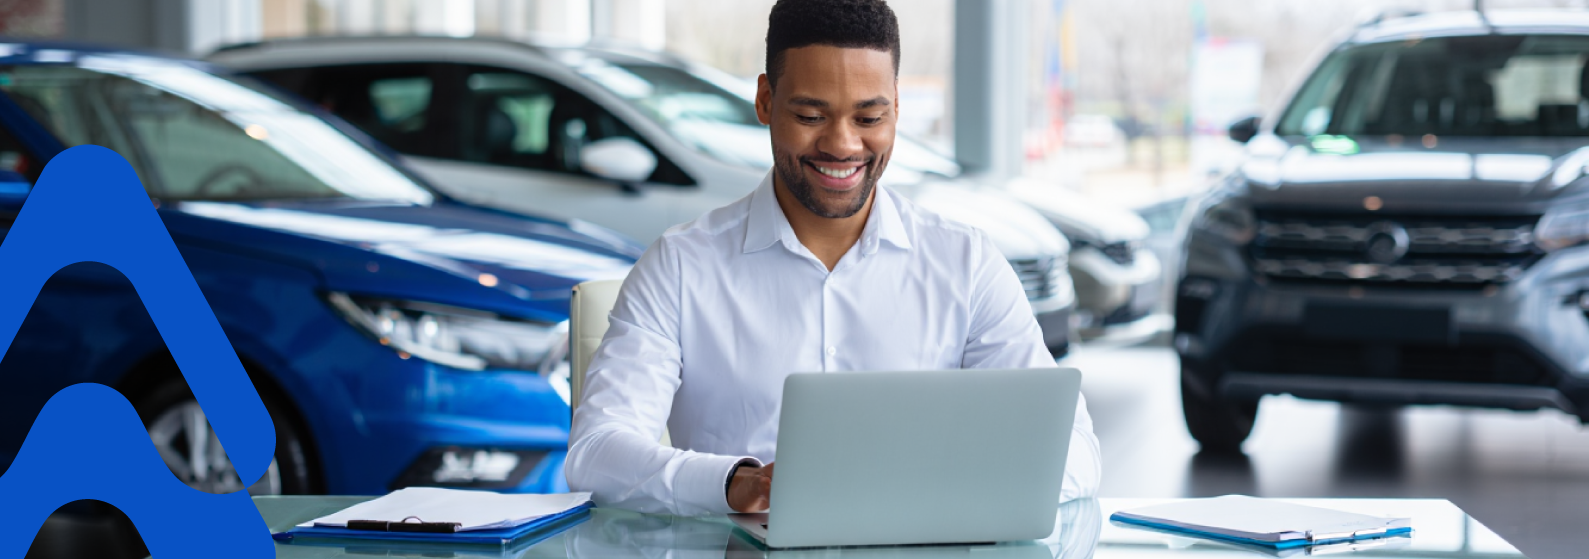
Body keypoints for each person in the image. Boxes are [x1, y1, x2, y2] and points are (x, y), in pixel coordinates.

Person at [566, 0, 1101, 515]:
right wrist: (736, 483)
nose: (842, 145)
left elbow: (1074, 452)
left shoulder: (967, 263)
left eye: (869, 117)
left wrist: (941, 493)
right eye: (810, 115)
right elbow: (596, 454)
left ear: (896, 105)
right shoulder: (680, 266)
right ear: (765, 101)